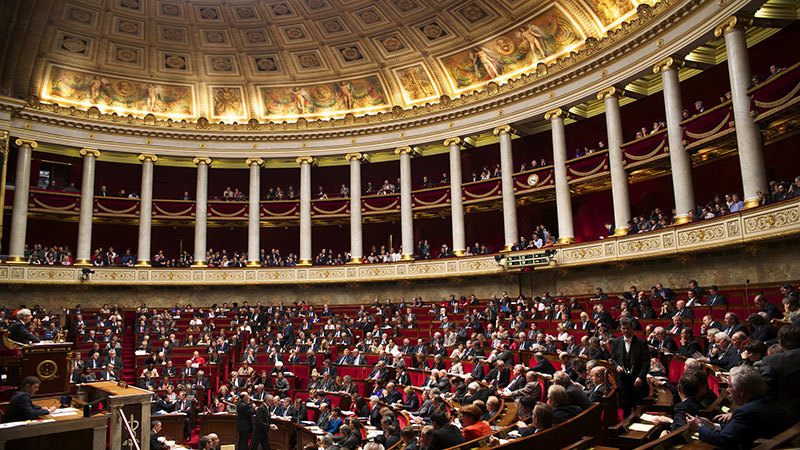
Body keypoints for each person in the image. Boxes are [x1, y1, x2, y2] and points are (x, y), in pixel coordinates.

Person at [687, 365, 792, 449]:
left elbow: (724, 439)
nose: (727, 390)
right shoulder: (768, 402)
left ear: (741, 391)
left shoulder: (746, 412)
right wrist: (713, 426)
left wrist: (700, 427)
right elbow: (736, 431)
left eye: (730, 386)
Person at [611, 317, 650, 416]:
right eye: (623, 329)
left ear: (632, 328)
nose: (626, 331)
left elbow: (646, 362)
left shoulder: (641, 343)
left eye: (627, 328)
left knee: (638, 406)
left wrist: (641, 377)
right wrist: (616, 367)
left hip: (637, 379)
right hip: (623, 379)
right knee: (625, 406)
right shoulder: (616, 342)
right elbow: (613, 359)